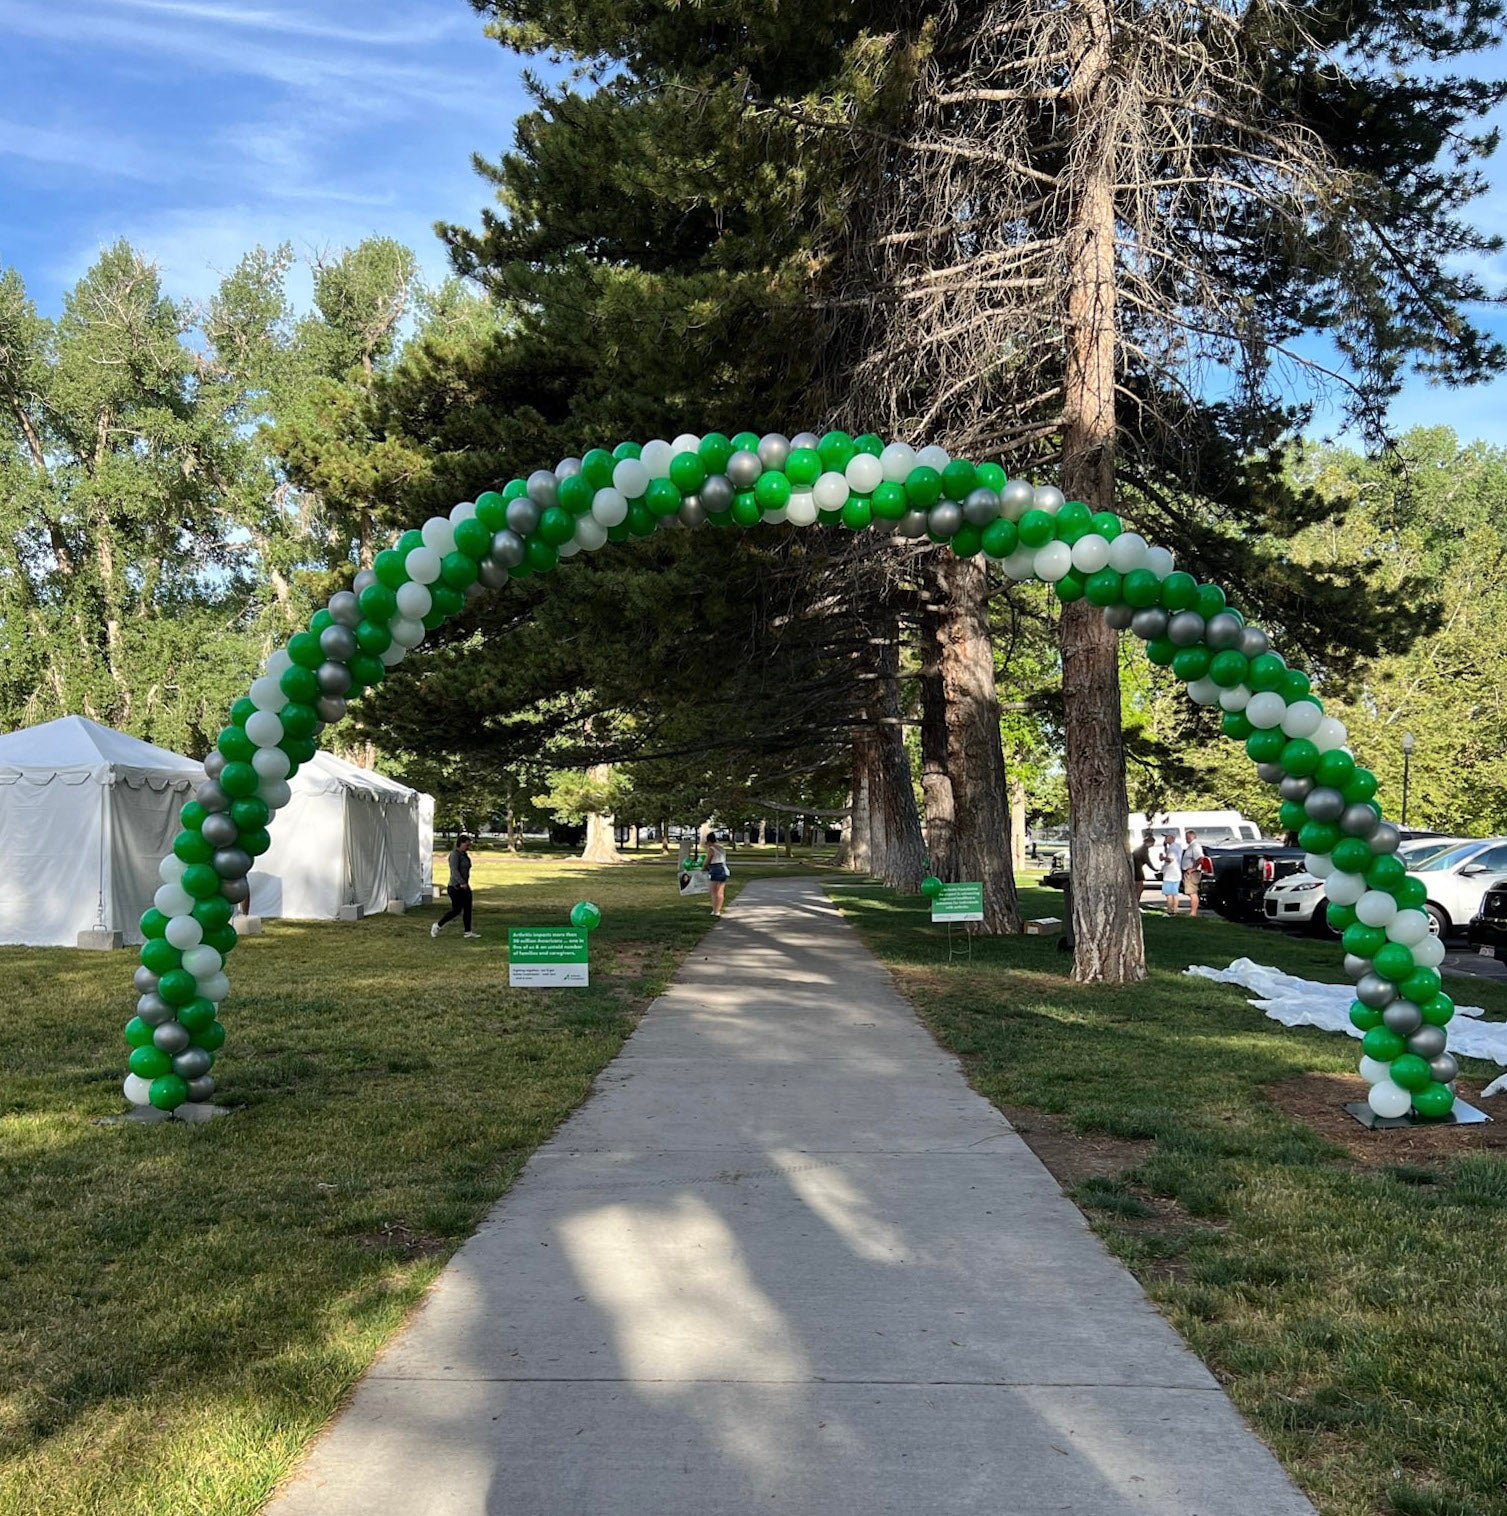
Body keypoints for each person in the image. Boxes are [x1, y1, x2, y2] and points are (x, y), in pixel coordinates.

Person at [432, 834, 480, 939]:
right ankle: (438, 925)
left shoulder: (465, 855)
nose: (468, 847)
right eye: (467, 845)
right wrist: (462, 882)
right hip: (455, 887)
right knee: (456, 910)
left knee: (468, 909)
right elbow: (454, 871)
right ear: (460, 843)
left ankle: (468, 931)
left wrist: (465, 884)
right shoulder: (454, 855)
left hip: (465, 887)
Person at [1181, 829, 1206, 918]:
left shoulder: (1195, 846)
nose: (1186, 839)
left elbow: (1200, 858)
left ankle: (1193, 913)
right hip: (1188, 872)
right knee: (1190, 892)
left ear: (1191, 836)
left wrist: (1193, 868)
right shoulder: (1191, 846)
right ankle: (1192, 912)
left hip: (1192, 873)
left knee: (1192, 892)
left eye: (1187, 837)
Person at [704, 830, 730, 917]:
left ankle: (715, 910)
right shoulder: (721, 848)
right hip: (724, 869)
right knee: (720, 892)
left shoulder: (711, 849)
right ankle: (718, 909)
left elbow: (707, 861)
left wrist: (703, 867)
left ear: (709, 841)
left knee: (713, 891)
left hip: (716, 869)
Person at [1159, 833, 1184, 915]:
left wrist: (1162, 858)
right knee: (1174, 893)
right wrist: (1165, 846)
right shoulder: (1177, 846)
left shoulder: (1173, 848)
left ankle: (1169, 911)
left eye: (1167, 837)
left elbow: (1170, 859)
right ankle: (1175, 910)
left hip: (1170, 874)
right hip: (1176, 873)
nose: (1165, 838)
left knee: (1169, 893)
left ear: (1172, 838)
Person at [1130, 830, 1154, 904]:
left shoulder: (1141, 848)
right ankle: (1136, 903)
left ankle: (1136, 902)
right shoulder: (1143, 849)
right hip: (1137, 868)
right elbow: (1147, 860)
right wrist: (1154, 869)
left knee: (1139, 886)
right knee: (1139, 887)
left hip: (1137, 867)